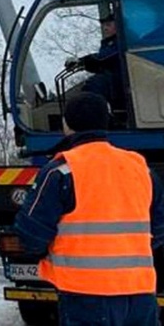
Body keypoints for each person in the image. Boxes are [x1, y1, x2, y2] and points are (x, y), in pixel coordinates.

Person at [14, 92, 164, 326]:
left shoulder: (61, 170)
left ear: (67, 124)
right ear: (107, 121)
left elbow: (31, 233)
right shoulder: (140, 168)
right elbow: (159, 227)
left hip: (84, 294)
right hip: (140, 293)